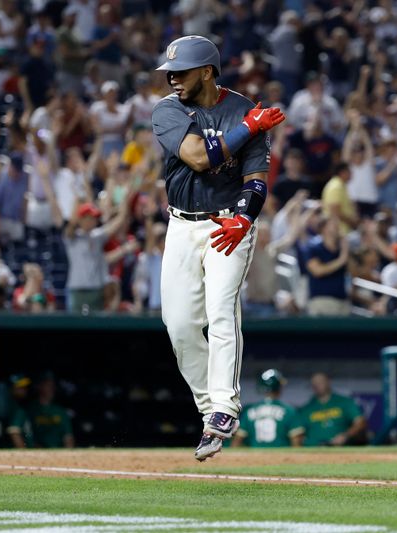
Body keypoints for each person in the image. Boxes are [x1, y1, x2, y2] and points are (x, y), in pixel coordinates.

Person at [151, 35, 285, 461]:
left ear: (207, 71)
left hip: (229, 222)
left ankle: (223, 409)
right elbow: (197, 157)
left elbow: (257, 179)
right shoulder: (168, 110)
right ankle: (208, 405)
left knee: (221, 310)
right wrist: (250, 128)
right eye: (169, 71)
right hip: (181, 225)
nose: (172, 78)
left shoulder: (243, 107)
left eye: (181, 71)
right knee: (179, 326)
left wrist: (245, 216)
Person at [234, 369, 305, 448]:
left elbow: (236, 442)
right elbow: (296, 444)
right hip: (281, 457)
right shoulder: (289, 411)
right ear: (279, 388)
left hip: (255, 456)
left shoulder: (249, 411)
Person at [9, 372, 75, 449]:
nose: (24, 390)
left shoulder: (60, 411)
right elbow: (14, 431)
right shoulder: (25, 409)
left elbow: (68, 437)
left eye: (25, 388)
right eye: (20, 387)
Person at [300, 372, 367, 446]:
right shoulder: (306, 408)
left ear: (328, 382)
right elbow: (297, 433)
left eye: (320, 382)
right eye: (314, 383)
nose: (317, 385)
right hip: (313, 449)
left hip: (340, 449)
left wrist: (345, 435)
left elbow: (360, 422)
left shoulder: (344, 402)